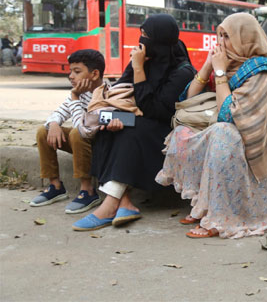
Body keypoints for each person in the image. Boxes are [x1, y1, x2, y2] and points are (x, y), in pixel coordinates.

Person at [155, 12, 267, 239]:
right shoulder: (228, 64)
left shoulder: (262, 71)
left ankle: (221, 218)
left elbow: (228, 115)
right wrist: (208, 67)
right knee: (182, 132)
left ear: (245, 39)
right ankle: (203, 205)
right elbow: (187, 100)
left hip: (262, 144)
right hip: (237, 133)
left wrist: (219, 73)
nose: (220, 43)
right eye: (219, 36)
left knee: (221, 133)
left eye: (227, 37)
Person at [72, 14, 195, 231]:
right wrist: (115, 114)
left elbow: (156, 110)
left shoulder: (182, 71)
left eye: (146, 35)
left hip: (165, 130)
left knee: (129, 132)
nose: (141, 41)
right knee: (106, 127)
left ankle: (110, 205)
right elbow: (120, 91)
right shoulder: (143, 58)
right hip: (138, 120)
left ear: (160, 39)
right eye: (142, 34)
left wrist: (138, 70)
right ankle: (125, 202)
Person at [30, 49, 106, 214]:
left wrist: (74, 97)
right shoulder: (79, 92)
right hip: (82, 145)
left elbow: (83, 130)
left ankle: (88, 191)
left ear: (94, 74)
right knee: (44, 130)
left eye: (77, 72)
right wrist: (54, 124)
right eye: (70, 71)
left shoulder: (108, 95)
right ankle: (55, 186)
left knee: (75, 133)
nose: (71, 76)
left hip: (101, 149)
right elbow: (57, 114)